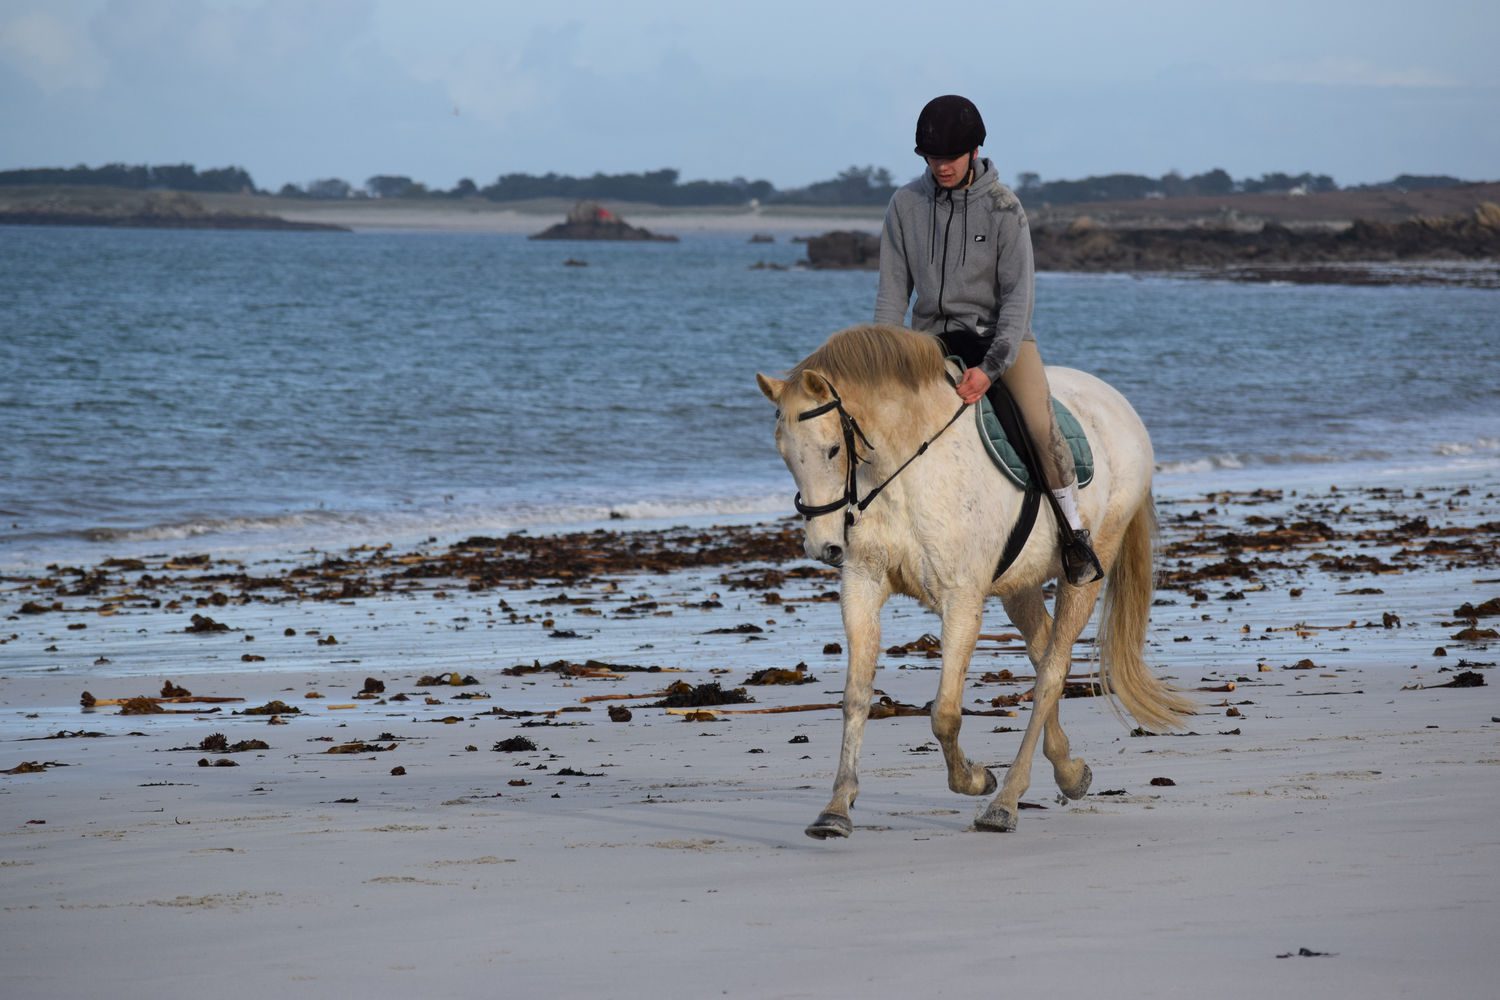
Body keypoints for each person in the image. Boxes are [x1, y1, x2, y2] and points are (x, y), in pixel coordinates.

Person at [874, 94, 1103, 585]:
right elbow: (892, 298)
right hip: (929, 344)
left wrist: (991, 369)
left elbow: (1019, 300)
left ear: (974, 152)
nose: (941, 167)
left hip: (1000, 339)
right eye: (932, 158)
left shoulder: (1004, 208)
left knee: (1040, 429)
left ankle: (1073, 535)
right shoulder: (904, 206)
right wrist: (885, 366)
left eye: (950, 158)